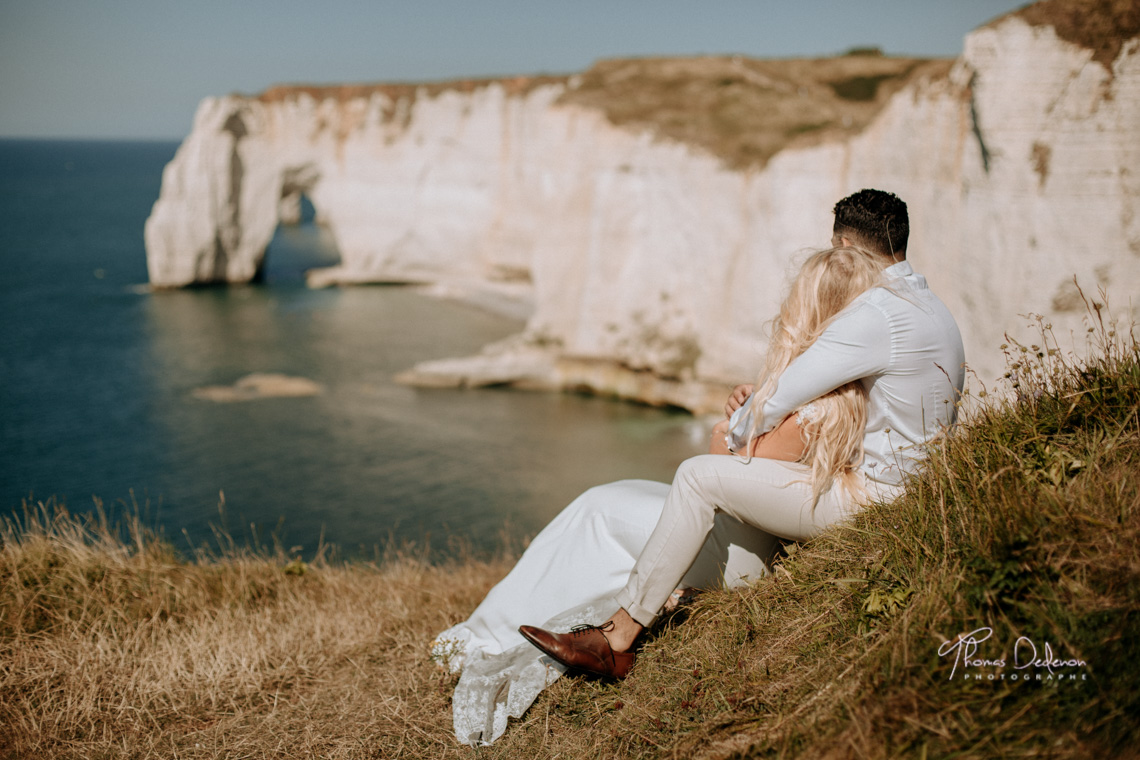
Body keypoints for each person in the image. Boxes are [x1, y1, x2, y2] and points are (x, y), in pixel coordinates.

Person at [433, 217, 905, 744]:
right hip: (746, 535)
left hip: (737, 557)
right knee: (605, 504)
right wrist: (749, 411)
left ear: (811, 309)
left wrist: (733, 424)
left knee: (597, 512)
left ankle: (488, 637)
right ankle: (518, 626)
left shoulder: (812, 405)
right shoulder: (855, 391)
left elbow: (718, 465)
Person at [519, 188, 966, 680]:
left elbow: (775, 402)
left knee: (696, 476)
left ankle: (617, 638)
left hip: (872, 502)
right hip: (911, 498)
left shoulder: (877, 314)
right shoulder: (932, 308)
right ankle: (630, 623)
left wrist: (736, 422)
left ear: (841, 245)